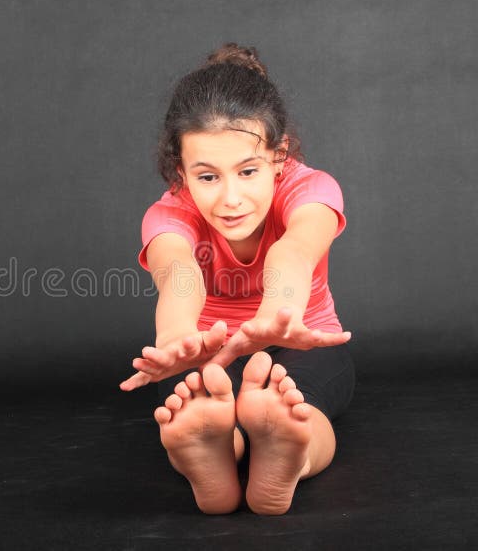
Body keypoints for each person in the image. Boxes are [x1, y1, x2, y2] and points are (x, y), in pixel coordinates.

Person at [119, 43, 356, 515]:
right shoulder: (169, 212)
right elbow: (178, 273)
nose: (231, 198)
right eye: (207, 177)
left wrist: (275, 317)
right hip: (210, 347)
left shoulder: (311, 189)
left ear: (279, 155)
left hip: (298, 340)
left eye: (248, 171)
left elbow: (294, 251)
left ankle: (293, 452)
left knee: (299, 407)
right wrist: (176, 339)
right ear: (180, 172)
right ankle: (215, 451)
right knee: (202, 401)